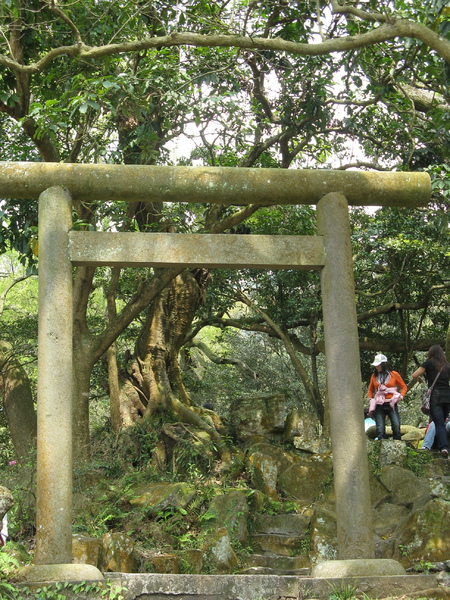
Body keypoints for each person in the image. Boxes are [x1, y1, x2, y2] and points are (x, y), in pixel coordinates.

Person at [412, 345, 450, 459]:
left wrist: (419, 379)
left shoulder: (428, 363)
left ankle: (444, 448)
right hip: (448, 397)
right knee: (442, 422)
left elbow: (415, 375)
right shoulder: (447, 365)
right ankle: (444, 447)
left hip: (435, 398)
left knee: (438, 423)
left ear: (431, 353)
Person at [367, 353, 407, 441]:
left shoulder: (394, 374)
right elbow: (370, 390)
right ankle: (382, 444)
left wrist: (401, 396)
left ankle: (397, 443)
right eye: (376, 365)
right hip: (379, 404)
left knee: (396, 425)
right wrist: (370, 399)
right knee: (380, 428)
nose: (377, 367)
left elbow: (404, 387)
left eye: (378, 365)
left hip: (391, 403)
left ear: (384, 364)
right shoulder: (374, 376)